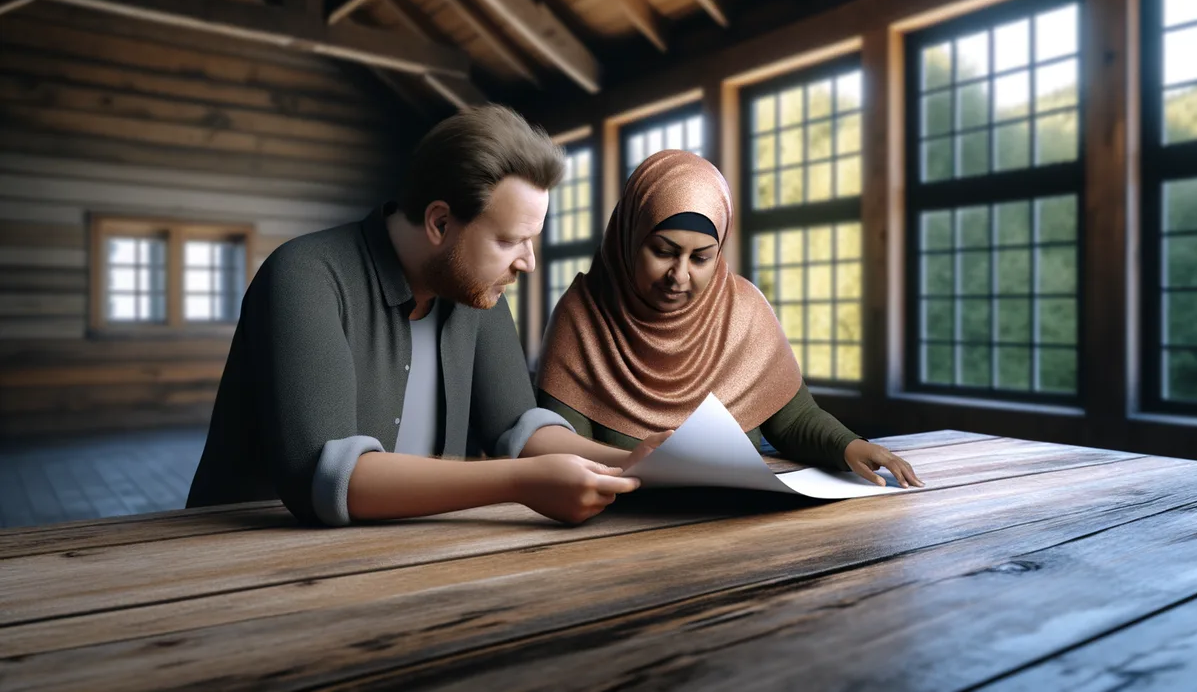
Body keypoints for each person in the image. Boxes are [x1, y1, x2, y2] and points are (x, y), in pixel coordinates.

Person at [187, 106, 668, 527]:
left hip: (400, 556)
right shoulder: (304, 276)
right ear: (440, 222)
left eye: (532, 240)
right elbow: (328, 477)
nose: (528, 263)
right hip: (242, 566)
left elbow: (518, 429)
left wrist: (631, 463)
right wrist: (521, 481)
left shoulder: (477, 291)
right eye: (508, 241)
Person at [535, 149, 923, 488]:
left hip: (738, 528)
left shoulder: (744, 310)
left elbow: (793, 420)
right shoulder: (581, 315)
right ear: (627, 239)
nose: (680, 275)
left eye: (701, 257)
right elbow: (559, 453)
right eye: (663, 251)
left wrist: (850, 446)